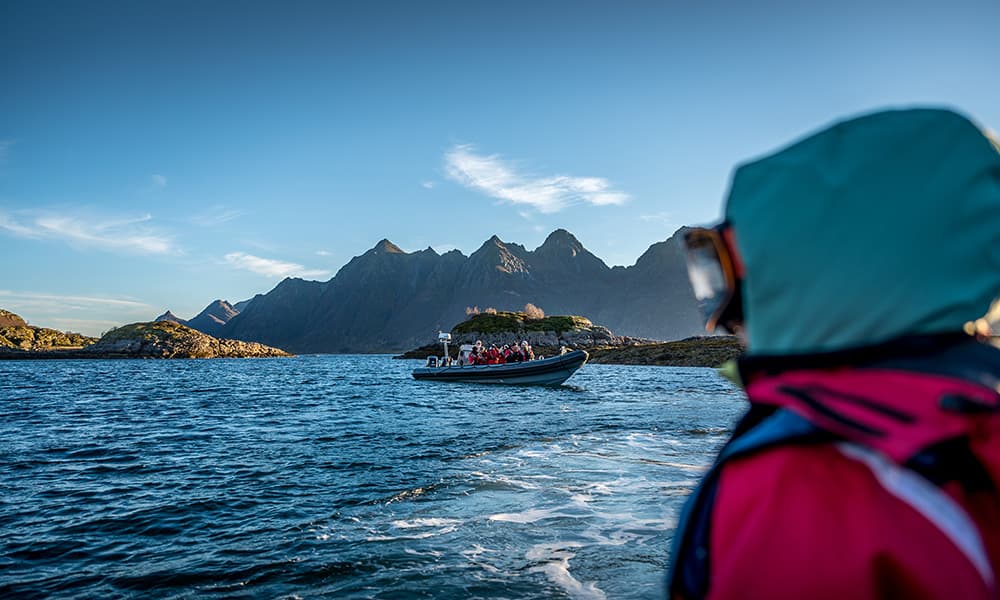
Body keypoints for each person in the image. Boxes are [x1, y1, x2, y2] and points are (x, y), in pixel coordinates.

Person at [669, 108, 1000, 600]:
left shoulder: (804, 479)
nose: (723, 313)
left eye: (718, 273)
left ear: (784, 270)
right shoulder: (974, 412)